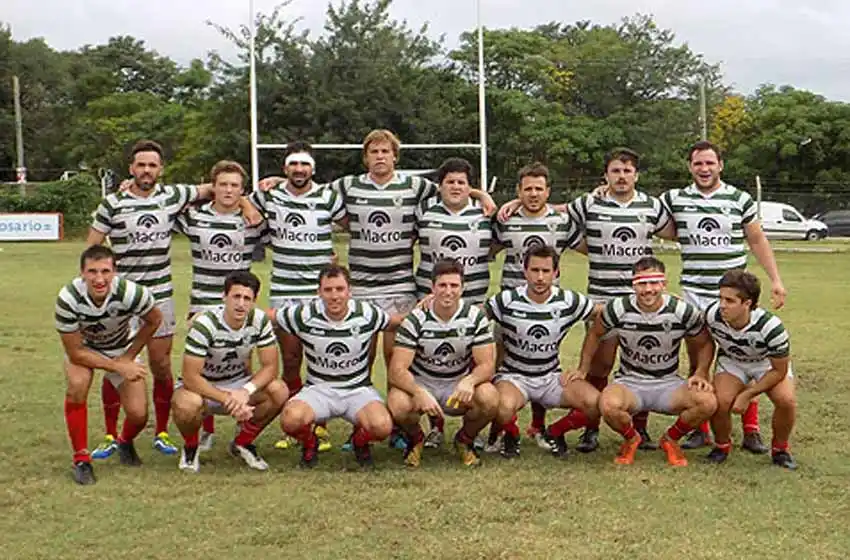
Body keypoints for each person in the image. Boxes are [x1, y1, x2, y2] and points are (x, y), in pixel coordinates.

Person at [86, 139, 261, 459]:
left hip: (160, 295)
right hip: (122, 298)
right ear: (131, 168)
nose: (146, 170)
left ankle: (163, 432)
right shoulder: (113, 202)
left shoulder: (172, 196)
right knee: (118, 363)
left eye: (152, 165)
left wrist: (247, 203)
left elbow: (213, 188)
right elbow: (92, 249)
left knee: (162, 365)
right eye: (141, 165)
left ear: (161, 169)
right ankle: (111, 434)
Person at [661, 141, 786, 451]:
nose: (704, 169)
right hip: (695, 293)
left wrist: (775, 279)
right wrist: (601, 193)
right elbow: (644, 212)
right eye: (698, 163)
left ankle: (751, 429)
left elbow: (757, 239)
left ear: (720, 165)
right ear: (690, 166)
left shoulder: (739, 199)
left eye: (709, 163)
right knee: (698, 360)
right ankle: (701, 426)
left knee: (744, 355)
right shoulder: (675, 198)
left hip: (733, 294)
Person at [567, 148, 674, 453]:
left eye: (627, 171)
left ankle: (640, 428)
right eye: (615, 171)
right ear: (606, 175)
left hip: (641, 299)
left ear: (636, 175)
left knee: (640, 364)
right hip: (602, 297)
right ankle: (590, 428)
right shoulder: (589, 203)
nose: (622, 176)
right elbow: (558, 216)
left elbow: (675, 231)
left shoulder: (652, 206)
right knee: (600, 365)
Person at [252, 141, 347, 452]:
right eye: (293, 164)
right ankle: (295, 425)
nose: (299, 169)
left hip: (320, 292)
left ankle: (319, 425)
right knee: (291, 360)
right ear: (285, 168)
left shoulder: (328, 197)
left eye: (304, 164)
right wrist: (253, 200)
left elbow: (353, 222)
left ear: (313, 169)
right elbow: (237, 199)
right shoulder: (269, 195)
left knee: (321, 360)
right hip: (285, 290)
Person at [580, 257, 717, 466]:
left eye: (654, 283)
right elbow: (594, 333)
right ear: (633, 285)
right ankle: (632, 438)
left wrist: (701, 372)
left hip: (667, 383)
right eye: (642, 283)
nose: (648, 290)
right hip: (630, 383)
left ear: (664, 284)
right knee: (608, 405)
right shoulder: (618, 308)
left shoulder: (681, 310)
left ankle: (670, 439)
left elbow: (705, 343)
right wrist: (583, 368)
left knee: (708, 402)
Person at [489, 162, 584, 450]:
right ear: (518, 191)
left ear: (548, 191)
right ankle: (499, 430)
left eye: (538, 189)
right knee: (501, 364)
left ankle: (538, 426)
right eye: (527, 189)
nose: (533, 194)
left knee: (542, 360)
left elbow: (587, 246)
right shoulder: (505, 220)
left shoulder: (562, 221)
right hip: (509, 306)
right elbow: (488, 249)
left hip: (549, 306)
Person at [173, 160, 266, 451]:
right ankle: (206, 428)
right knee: (205, 363)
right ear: (212, 187)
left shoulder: (253, 221)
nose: (228, 190)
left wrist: (249, 204)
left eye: (234, 185)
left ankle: (242, 420)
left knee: (241, 359)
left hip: (239, 302)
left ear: (242, 189)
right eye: (222, 184)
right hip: (203, 301)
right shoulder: (194, 217)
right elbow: (168, 203)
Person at [274, 265, 406, 469]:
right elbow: (269, 316)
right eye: (328, 290)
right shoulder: (304, 314)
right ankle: (310, 443)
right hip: (318, 389)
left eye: (340, 289)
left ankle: (359, 444)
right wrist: (236, 312)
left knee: (382, 427)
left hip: (357, 390)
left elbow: (395, 322)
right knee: (290, 420)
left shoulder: (366, 313)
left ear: (349, 291)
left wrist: (428, 312)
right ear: (319, 292)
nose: (334, 296)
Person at [55, 245, 163, 485]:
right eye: (92, 271)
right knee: (77, 386)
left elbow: (155, 320)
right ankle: (81, 459)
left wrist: (129, 356)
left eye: (105, 271)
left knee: (139, 414)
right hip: (85, 350)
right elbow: (75, 352)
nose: (99, 279)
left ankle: (124, 441)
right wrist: (117, 367)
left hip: (122, 347)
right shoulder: (68, 298)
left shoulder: (132, 293)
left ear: (115, 272)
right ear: (82, 273)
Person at [485, 245, 601, 459]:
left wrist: (582, 368)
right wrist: (435, 305)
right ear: (525, 271)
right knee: (500, 407)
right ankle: (511, 434)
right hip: (514, 377)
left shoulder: (568, 301)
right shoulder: (506, 300)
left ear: (556, 273)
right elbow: (474, 316)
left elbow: (603, 313)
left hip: (550, 377)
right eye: (535, 270)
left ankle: (554, 432)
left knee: (596, 404)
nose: (540, 277)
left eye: (546, 271)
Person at [171, 271, 288, 473]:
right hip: (202, 387)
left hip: (237, 383)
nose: (241, 304)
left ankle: (243, 442)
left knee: (279, 390)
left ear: (254, 300)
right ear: (224, 297)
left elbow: (271, 367)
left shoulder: (259, 320)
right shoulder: (205, 323)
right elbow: (190, 377)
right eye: (236, 296)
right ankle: (191, 447)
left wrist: (245, 391)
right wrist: (227, 398)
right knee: (186, 405)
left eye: (247, 298)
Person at [412, 157, 492, 449]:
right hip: (429, 303)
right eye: (450, 182)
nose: (456, 187)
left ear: (470, 186)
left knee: (471, 363)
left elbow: (496, 246)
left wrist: (483, 197)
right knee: (431, 361)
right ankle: (435, 426)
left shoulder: (486, 214)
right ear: (440, 185)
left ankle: (472, 429)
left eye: (462, 182)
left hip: (474, 302)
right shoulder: (423, 210)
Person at [387, 259, 499, 467]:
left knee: (490, 397)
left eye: (454, 285)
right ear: (432, 288)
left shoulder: (475, 317)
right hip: (423, 383)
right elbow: (396, 370)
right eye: (442, 285)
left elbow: (487, 365)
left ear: (463, 288)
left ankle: (464, 439)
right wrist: (418, 391)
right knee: (398, 403)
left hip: (456, 385)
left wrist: (470, 381)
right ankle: (416, 438)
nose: (448, 291)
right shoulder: (416, 319)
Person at [703, 270, 797, 469]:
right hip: (733, 360)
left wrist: (748, 394)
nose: (722, 305)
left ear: (747, 303)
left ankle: (780, 450)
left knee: (786, 401)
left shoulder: (771, 327)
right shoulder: (712, 315)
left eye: (729, 300)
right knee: (720, 401)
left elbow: (779, 371)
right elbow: (703, 342)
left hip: (766, 364)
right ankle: (722, 445)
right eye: (720, 298)